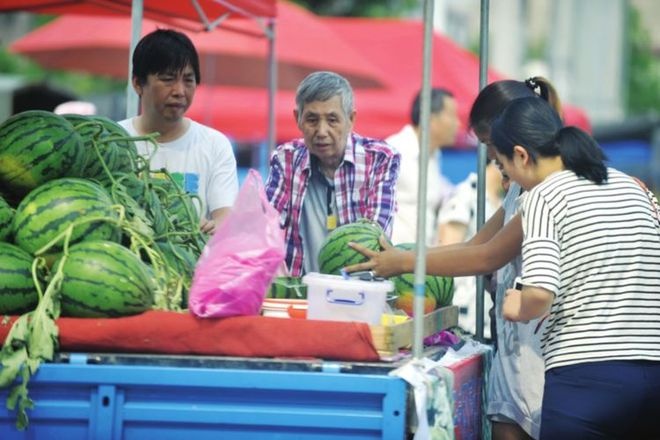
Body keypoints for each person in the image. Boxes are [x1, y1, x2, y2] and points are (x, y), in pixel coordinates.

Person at [346, 77, 563, 440]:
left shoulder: (542, 194)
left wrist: (403, 263)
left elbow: (486, 258)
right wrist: (405, 254)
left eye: (491, 146)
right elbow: (473, 244)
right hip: (513, 353)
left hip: (538, 354)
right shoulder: (517, 194)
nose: (492, 159)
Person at [493, 96, 660, 440]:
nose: (506, 178)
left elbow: (539, 293)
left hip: (586, 381)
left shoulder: (543, 195)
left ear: (521, 155)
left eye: (503, 165)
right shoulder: (633, 186)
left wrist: (516, 306)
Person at [265, 71, 400, 277]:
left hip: (358, 291)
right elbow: (267, 225)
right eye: (312, 119)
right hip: (301, 295)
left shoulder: (379, 159)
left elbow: (374, 236)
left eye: (332, 120)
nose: (321, 131)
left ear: (351, 119)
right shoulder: (285, 160)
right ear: (297, 118)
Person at [119, 29, 238, 235]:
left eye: (188, 80)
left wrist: (215, 228)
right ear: (138, 83)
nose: (179, 91)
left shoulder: (214, 144)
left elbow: (226, 219)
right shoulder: (115, 140)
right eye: (167, 79)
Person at [436, 160, 504, 338]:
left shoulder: (501, 200)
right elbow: (447, 253)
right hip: (467, 314)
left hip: (490, 312)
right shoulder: (465, 195)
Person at [387, 88, 459, 245]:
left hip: (419, 260)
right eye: (453, 116)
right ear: (431, 119)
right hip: (393, 259)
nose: (458, 124)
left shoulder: (435, 155)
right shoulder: (393, 152)